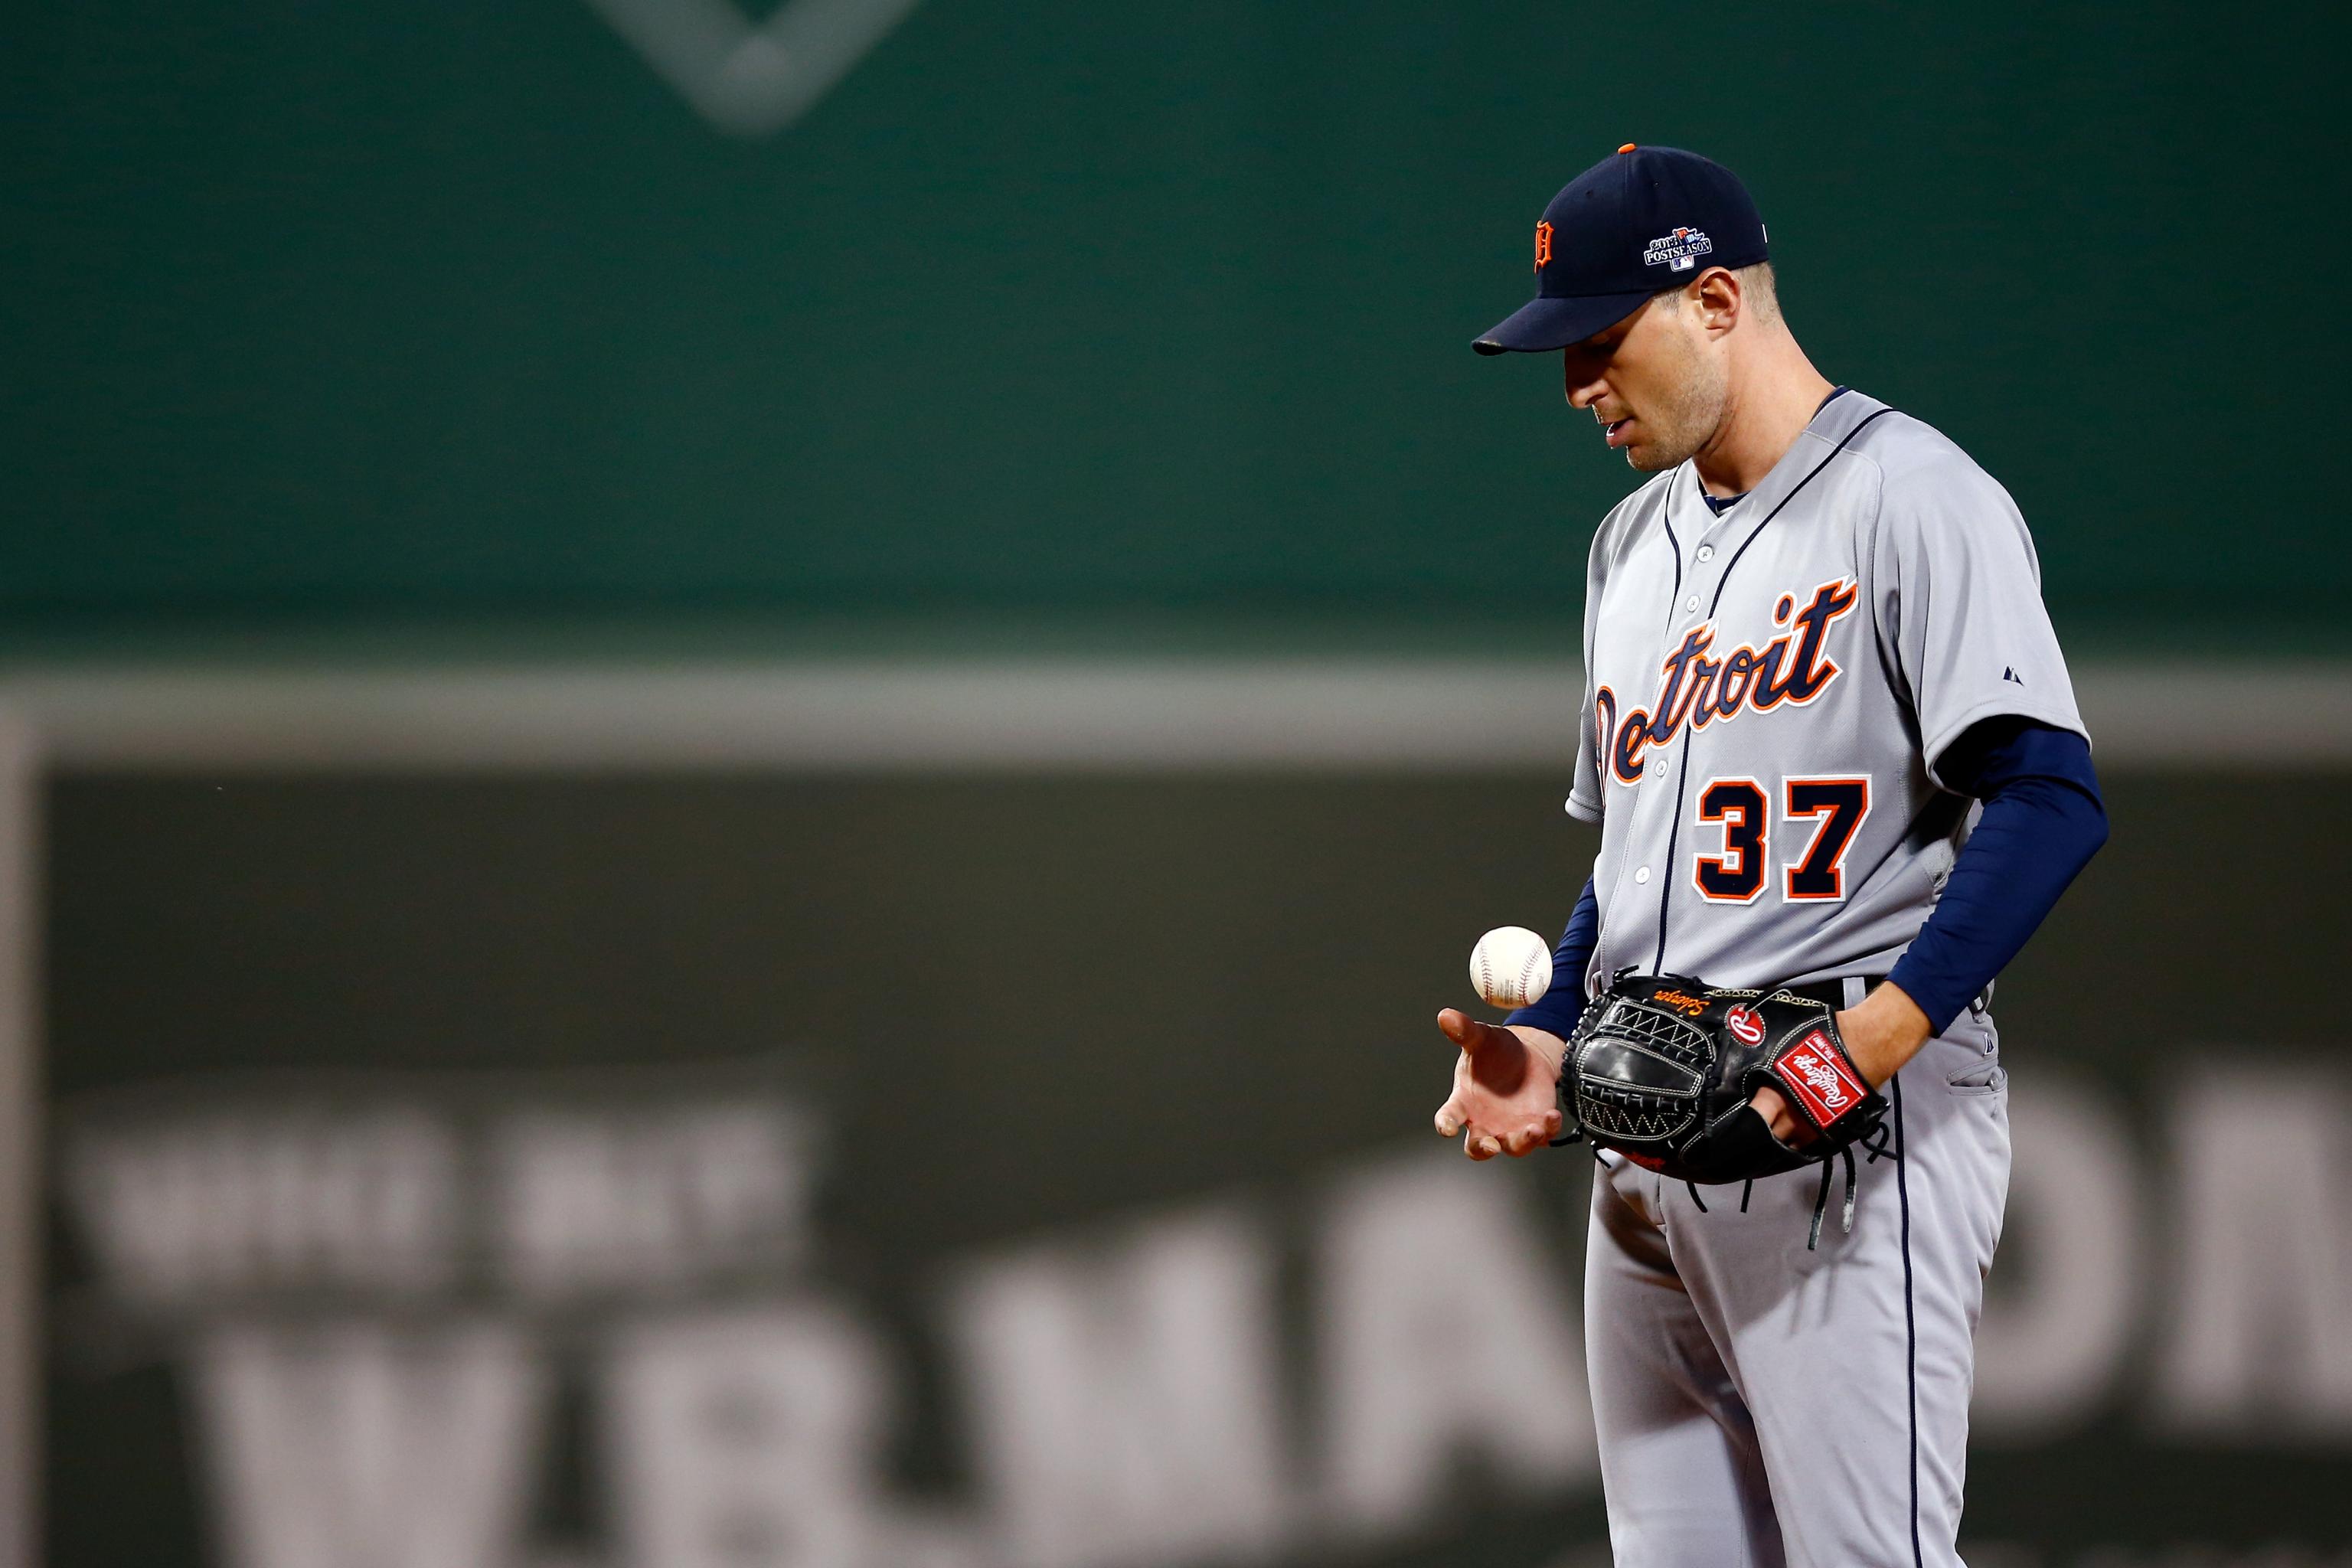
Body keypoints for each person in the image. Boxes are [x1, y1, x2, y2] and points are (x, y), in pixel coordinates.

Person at [1432, 144, 2109, 1566]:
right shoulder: (1627, 549)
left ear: (1719, 301)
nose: (1578, 388)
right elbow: (1631, 869)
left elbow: (2048, 797)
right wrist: (1548, 1030)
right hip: (1644, 1145)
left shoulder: (1915, 498)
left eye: (1603, 343)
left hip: (1849, 1147)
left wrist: (1859, 1050)